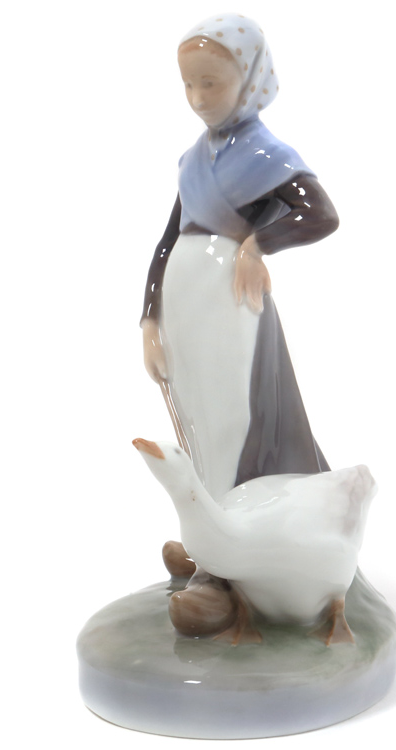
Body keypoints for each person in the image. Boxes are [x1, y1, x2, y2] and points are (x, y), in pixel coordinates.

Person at [141, 14, 339, 513]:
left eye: (210, 83)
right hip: (184, 306)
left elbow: (320, 215)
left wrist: (257, 245)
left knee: (234, 411)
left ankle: (247, 528)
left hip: (231, 304)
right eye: (188, 84)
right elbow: (167, 243)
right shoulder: (192, 162)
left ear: (249, 79)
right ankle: (209, 531)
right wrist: (149, 321)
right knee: (196, 416)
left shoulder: (267, 155)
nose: (197, 98)